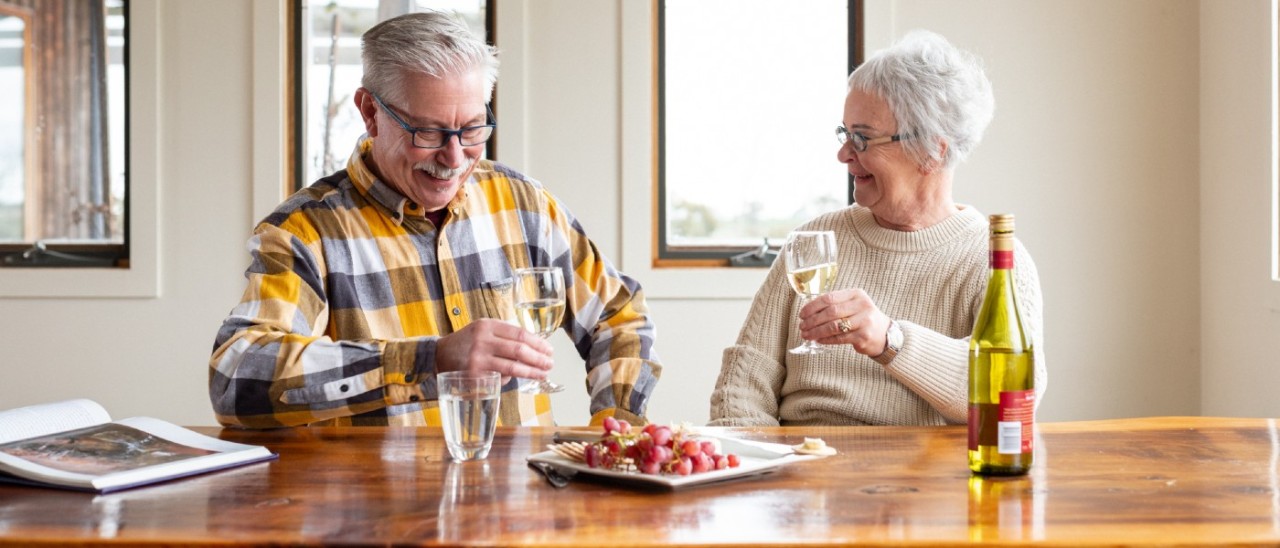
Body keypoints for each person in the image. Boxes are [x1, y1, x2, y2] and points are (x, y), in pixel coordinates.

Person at [209, 11, 661, 429]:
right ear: (370, 112)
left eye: (471, 129)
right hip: (377, 513)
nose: (453, 156)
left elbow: (618, 316)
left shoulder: (524, 204)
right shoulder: (305, 233)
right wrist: (431, 360)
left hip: (524, 505)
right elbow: (236, 379)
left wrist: (615, 419)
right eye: (428, 132)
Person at [708, 30, 1046, 426]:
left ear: (932, 150)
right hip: (801, 474)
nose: (843, 154)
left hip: (922, 484)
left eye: (862, 139)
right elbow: (742, 390)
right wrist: (768, 473)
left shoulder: (996, 260)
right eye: (844, 134)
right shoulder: (814, 243)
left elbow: (1011, 397)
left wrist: (890, 339)